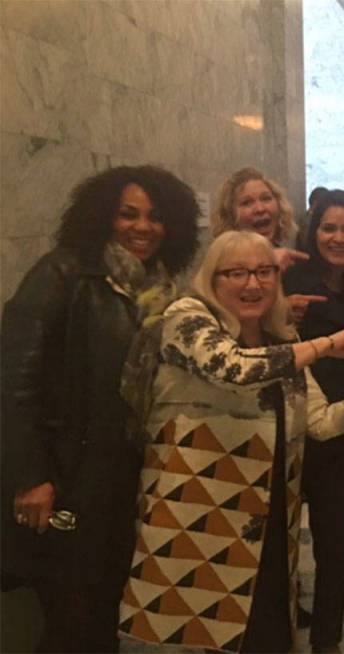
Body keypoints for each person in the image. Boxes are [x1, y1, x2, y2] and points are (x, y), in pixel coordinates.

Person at [118, 230, 344, 652]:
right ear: (212, 278)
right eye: (236, 273)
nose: (253, 284)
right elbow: (233, 367)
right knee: (205, 635)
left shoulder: (282, 339)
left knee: (268, 633)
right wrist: (326, 345)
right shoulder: (188, 317)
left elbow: (319, 422)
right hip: (201, 516)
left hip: (269, 515)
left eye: (264, 272)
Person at [1, 165, 200, 652]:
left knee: (107, 606)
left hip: (125, 478)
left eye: (155, 217)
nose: (143, 227)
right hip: (67, 477)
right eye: (128, 214)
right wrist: (30, 477)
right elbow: (14, 380)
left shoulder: (160, 290)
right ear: (102, 216)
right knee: (70, 615)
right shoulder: (63, 274)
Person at [282, 189, 344, 652]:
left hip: (334, 428)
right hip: (284, 429)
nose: (339, 237)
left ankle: (326, 640)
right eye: (329, 228)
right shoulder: (292, 281)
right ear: (313, 232)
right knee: (276, 541)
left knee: (334, 544)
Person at [211, 167, 320, 322]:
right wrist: (279, 309)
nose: (260, 209)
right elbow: (223, 318)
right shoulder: (220, 264)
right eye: (247, 203)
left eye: (266, 198)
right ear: (231, 216)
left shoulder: (290, 261)